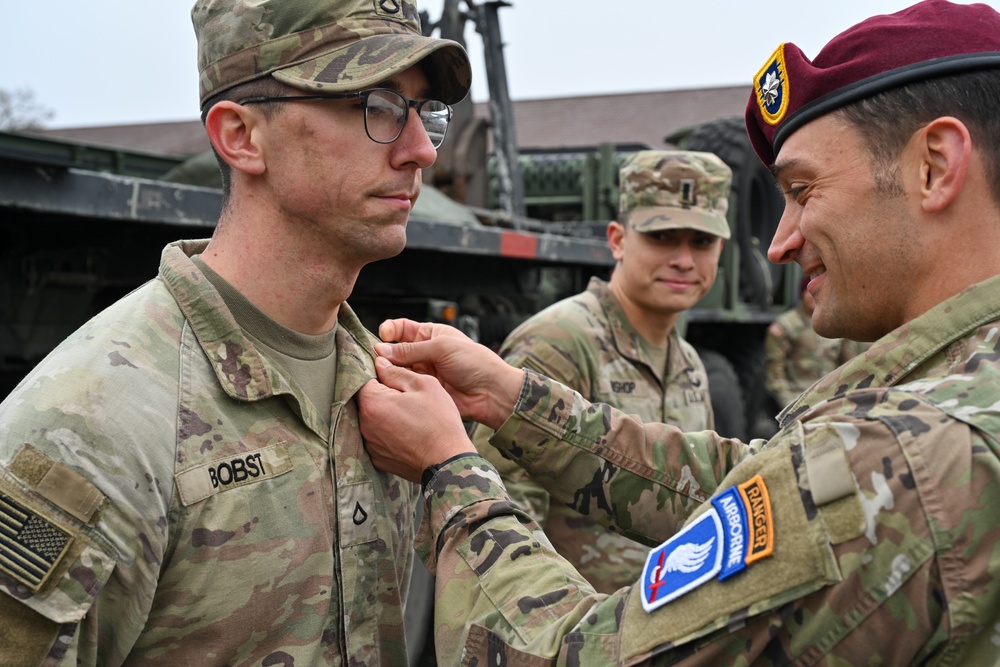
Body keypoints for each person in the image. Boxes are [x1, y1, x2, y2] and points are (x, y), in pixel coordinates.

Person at [356, 1, 1000, 664]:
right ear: (619, 239)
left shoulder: (915, 453)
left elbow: (576, 654)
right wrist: (516, 399)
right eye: (664, 237)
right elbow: (748, 487)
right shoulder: (959, 401)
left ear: (935, 165)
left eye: (804, 190)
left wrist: (451, 470)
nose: (778, 242)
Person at [0, 0, 470, 664]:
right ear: (242, 136)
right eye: (378, 106)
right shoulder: (91, 425)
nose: (420, 149)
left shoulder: (387, 390)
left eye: (427, 114)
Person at [470, 150, 729, 594]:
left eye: (702, 242)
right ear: (618, 239)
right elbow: (501, 518)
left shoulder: (688, 361)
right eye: (663, 237)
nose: (685, 260)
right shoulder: (560, 342)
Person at [764, 276, 867, 409]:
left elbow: (848, 364)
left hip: (830, 399)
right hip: (798, 398)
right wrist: (788, 403)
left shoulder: (836, 324)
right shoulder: (786, 325)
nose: (813, 297)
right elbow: (775, 368)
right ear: (802, 294)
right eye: (809, 292)